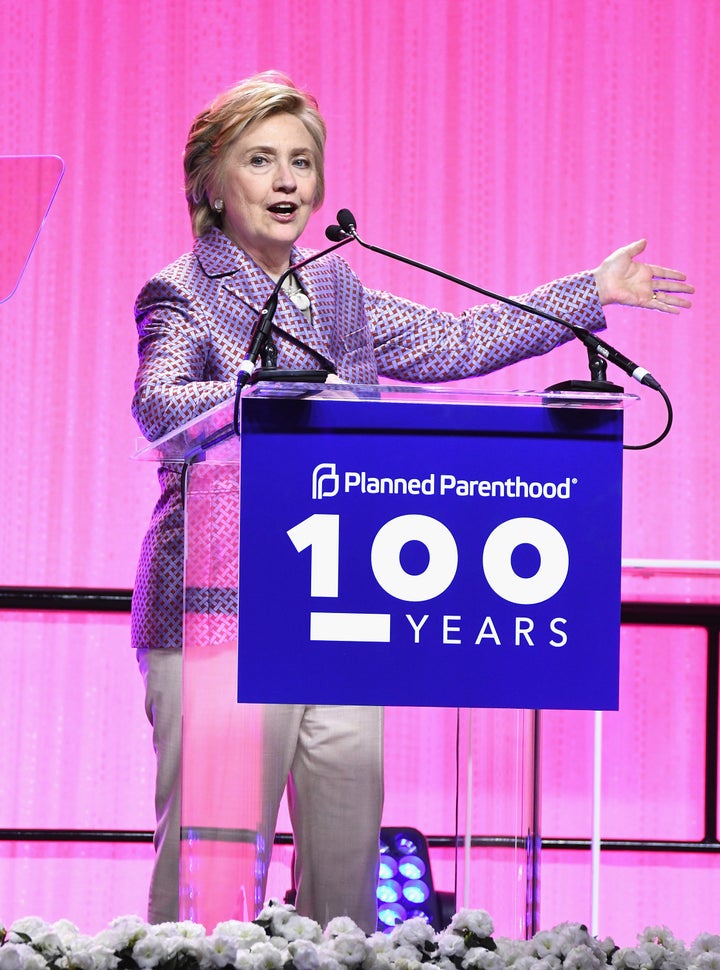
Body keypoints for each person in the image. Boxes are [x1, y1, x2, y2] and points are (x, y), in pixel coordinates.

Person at [131, 71, 693, 932]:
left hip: (340, 606)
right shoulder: (182, 291)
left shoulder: (340, 289)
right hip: (221, 612)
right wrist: (256, 395)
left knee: (347, 876)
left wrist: (591, 293)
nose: (288, 182)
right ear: (210, 180)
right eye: (261, 161)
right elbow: (159, 406)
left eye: (303, 163)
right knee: (215, 878)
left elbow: (458, 337)